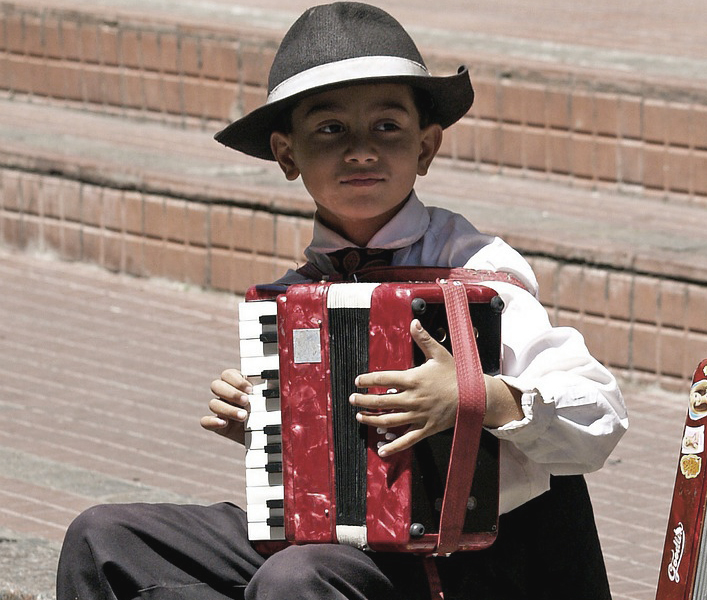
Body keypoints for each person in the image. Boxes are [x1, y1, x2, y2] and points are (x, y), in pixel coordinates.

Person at [56, 3, 627, 599]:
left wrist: (476, 395)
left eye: (387, 127)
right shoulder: (295, 296)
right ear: (287, 154)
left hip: (477, 566)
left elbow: (601, 416)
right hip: (343, 551)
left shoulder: (478, 275)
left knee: (296, 576)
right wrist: (273, 424)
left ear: (426, 148)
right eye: (331, 130)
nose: (361, 150)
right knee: (104, 538)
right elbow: (324, 480)